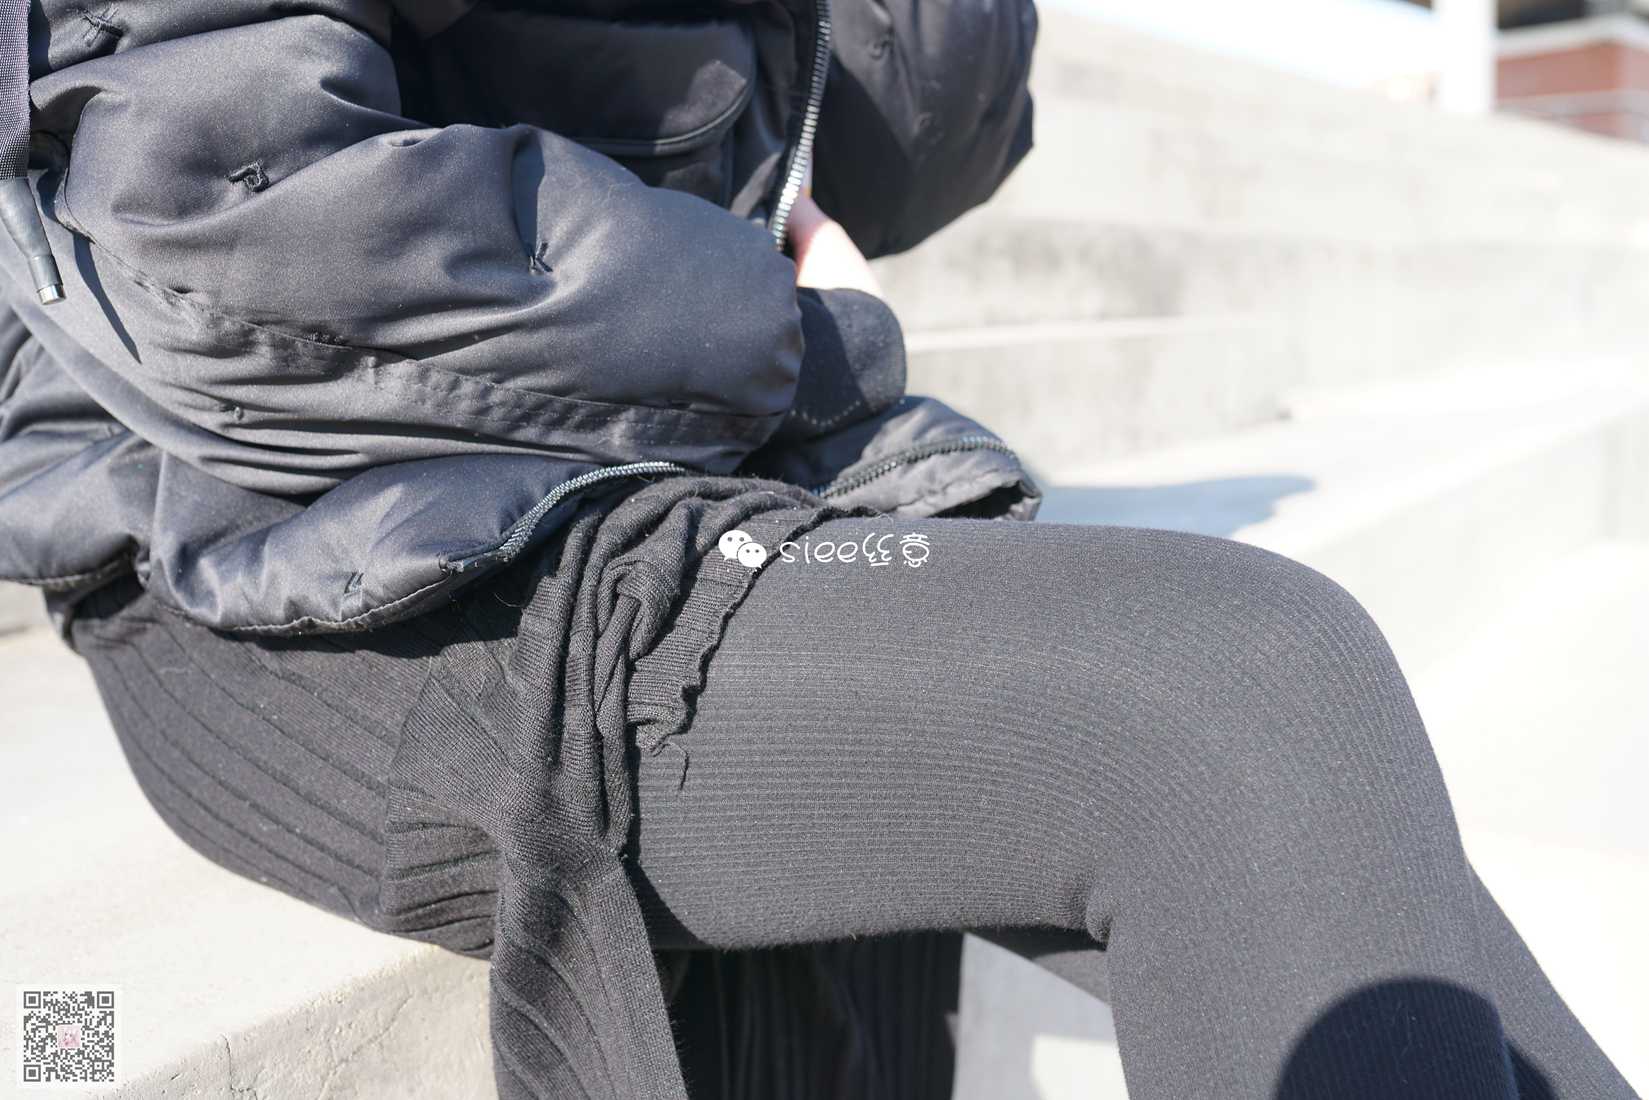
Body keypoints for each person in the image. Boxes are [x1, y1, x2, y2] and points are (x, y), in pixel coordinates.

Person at [0, 1, 1638, 1098]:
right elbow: (222, 217)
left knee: (1325, 825)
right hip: (289, 545)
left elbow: (914, 146)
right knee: (1234, 689)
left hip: (655, 458)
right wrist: (798, 340)